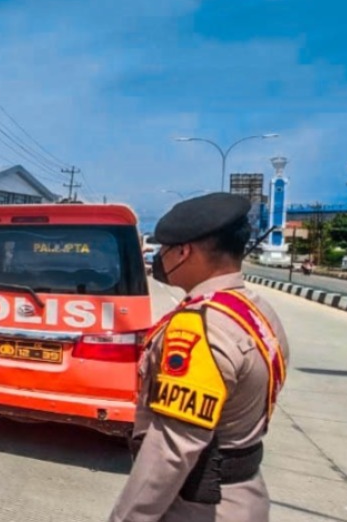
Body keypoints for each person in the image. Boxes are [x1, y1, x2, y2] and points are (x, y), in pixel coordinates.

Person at [110, 193, 289, 522]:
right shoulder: (254, 310)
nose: (158, 258)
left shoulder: (199, 330)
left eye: (164, 249)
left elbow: (172, 447)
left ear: (183, 252)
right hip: (242, 493)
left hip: (198, 507)